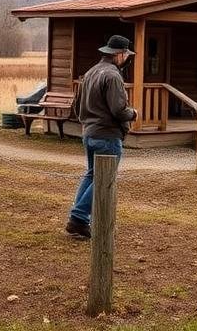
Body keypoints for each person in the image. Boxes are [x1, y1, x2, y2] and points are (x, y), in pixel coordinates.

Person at [66, 34, 137, 239]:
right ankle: (79, 217)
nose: (127, 58)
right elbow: (119, 110)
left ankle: (78, 219)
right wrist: (134, 114)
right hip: (107, 134)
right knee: (104, 178)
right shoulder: (113, 76)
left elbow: (77, 106)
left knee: (91, 175)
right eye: (126, 54)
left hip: (89, 133)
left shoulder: (91, 72)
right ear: (120, 54)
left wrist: (87, 123)